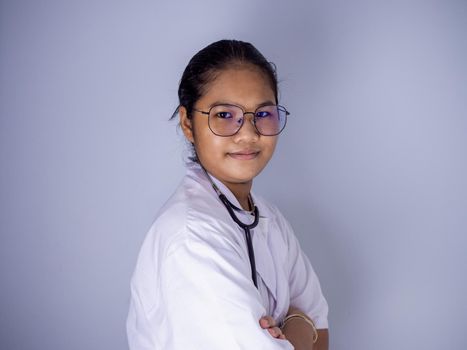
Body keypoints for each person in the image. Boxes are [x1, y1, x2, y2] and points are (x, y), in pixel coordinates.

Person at [126, 39, 329, 350]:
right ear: (187, 123)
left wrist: (304, 326)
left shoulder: (269, 219)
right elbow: (312, 331)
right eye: (223, 115)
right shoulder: (192, 238)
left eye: (262, 114)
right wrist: (300, 325)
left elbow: (323, 333)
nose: (248, 133)